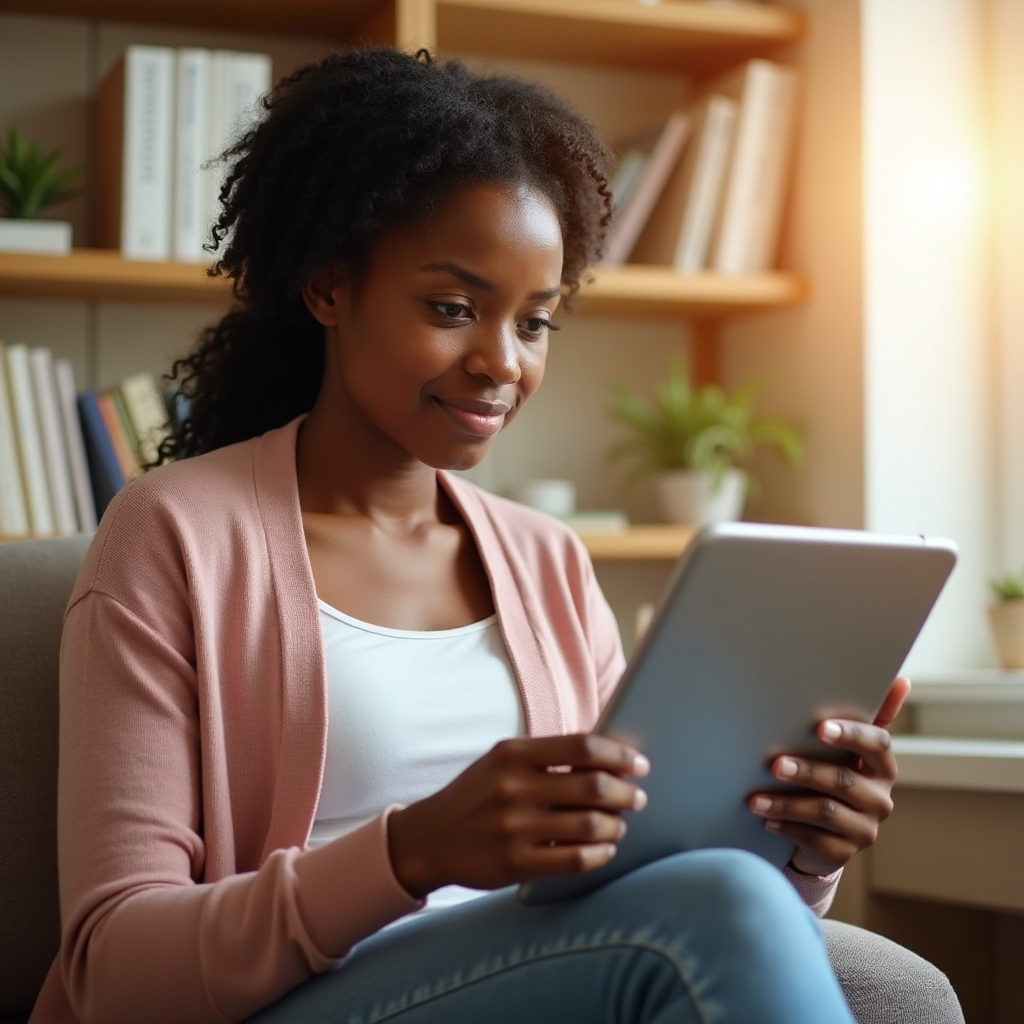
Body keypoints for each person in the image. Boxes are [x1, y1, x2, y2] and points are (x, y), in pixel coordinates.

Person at [31, 49, 906, 1024]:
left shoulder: (548, 562)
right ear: (329, 287)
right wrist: (413, 852)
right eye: (453, 309)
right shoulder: (173, 534)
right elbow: (112, 970)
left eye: (535, 323)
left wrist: (803, 851)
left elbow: (668, 914)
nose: (501, 363)